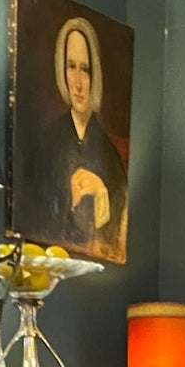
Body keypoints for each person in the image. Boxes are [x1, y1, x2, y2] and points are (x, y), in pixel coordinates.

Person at [35, 15, 129, 263]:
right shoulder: (46, 144)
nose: (77, 82)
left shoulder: (110, 156)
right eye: (71, 66)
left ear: (95, 74)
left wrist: (101, 192)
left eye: (85, 70)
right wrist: (72, 201)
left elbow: (112, 241)